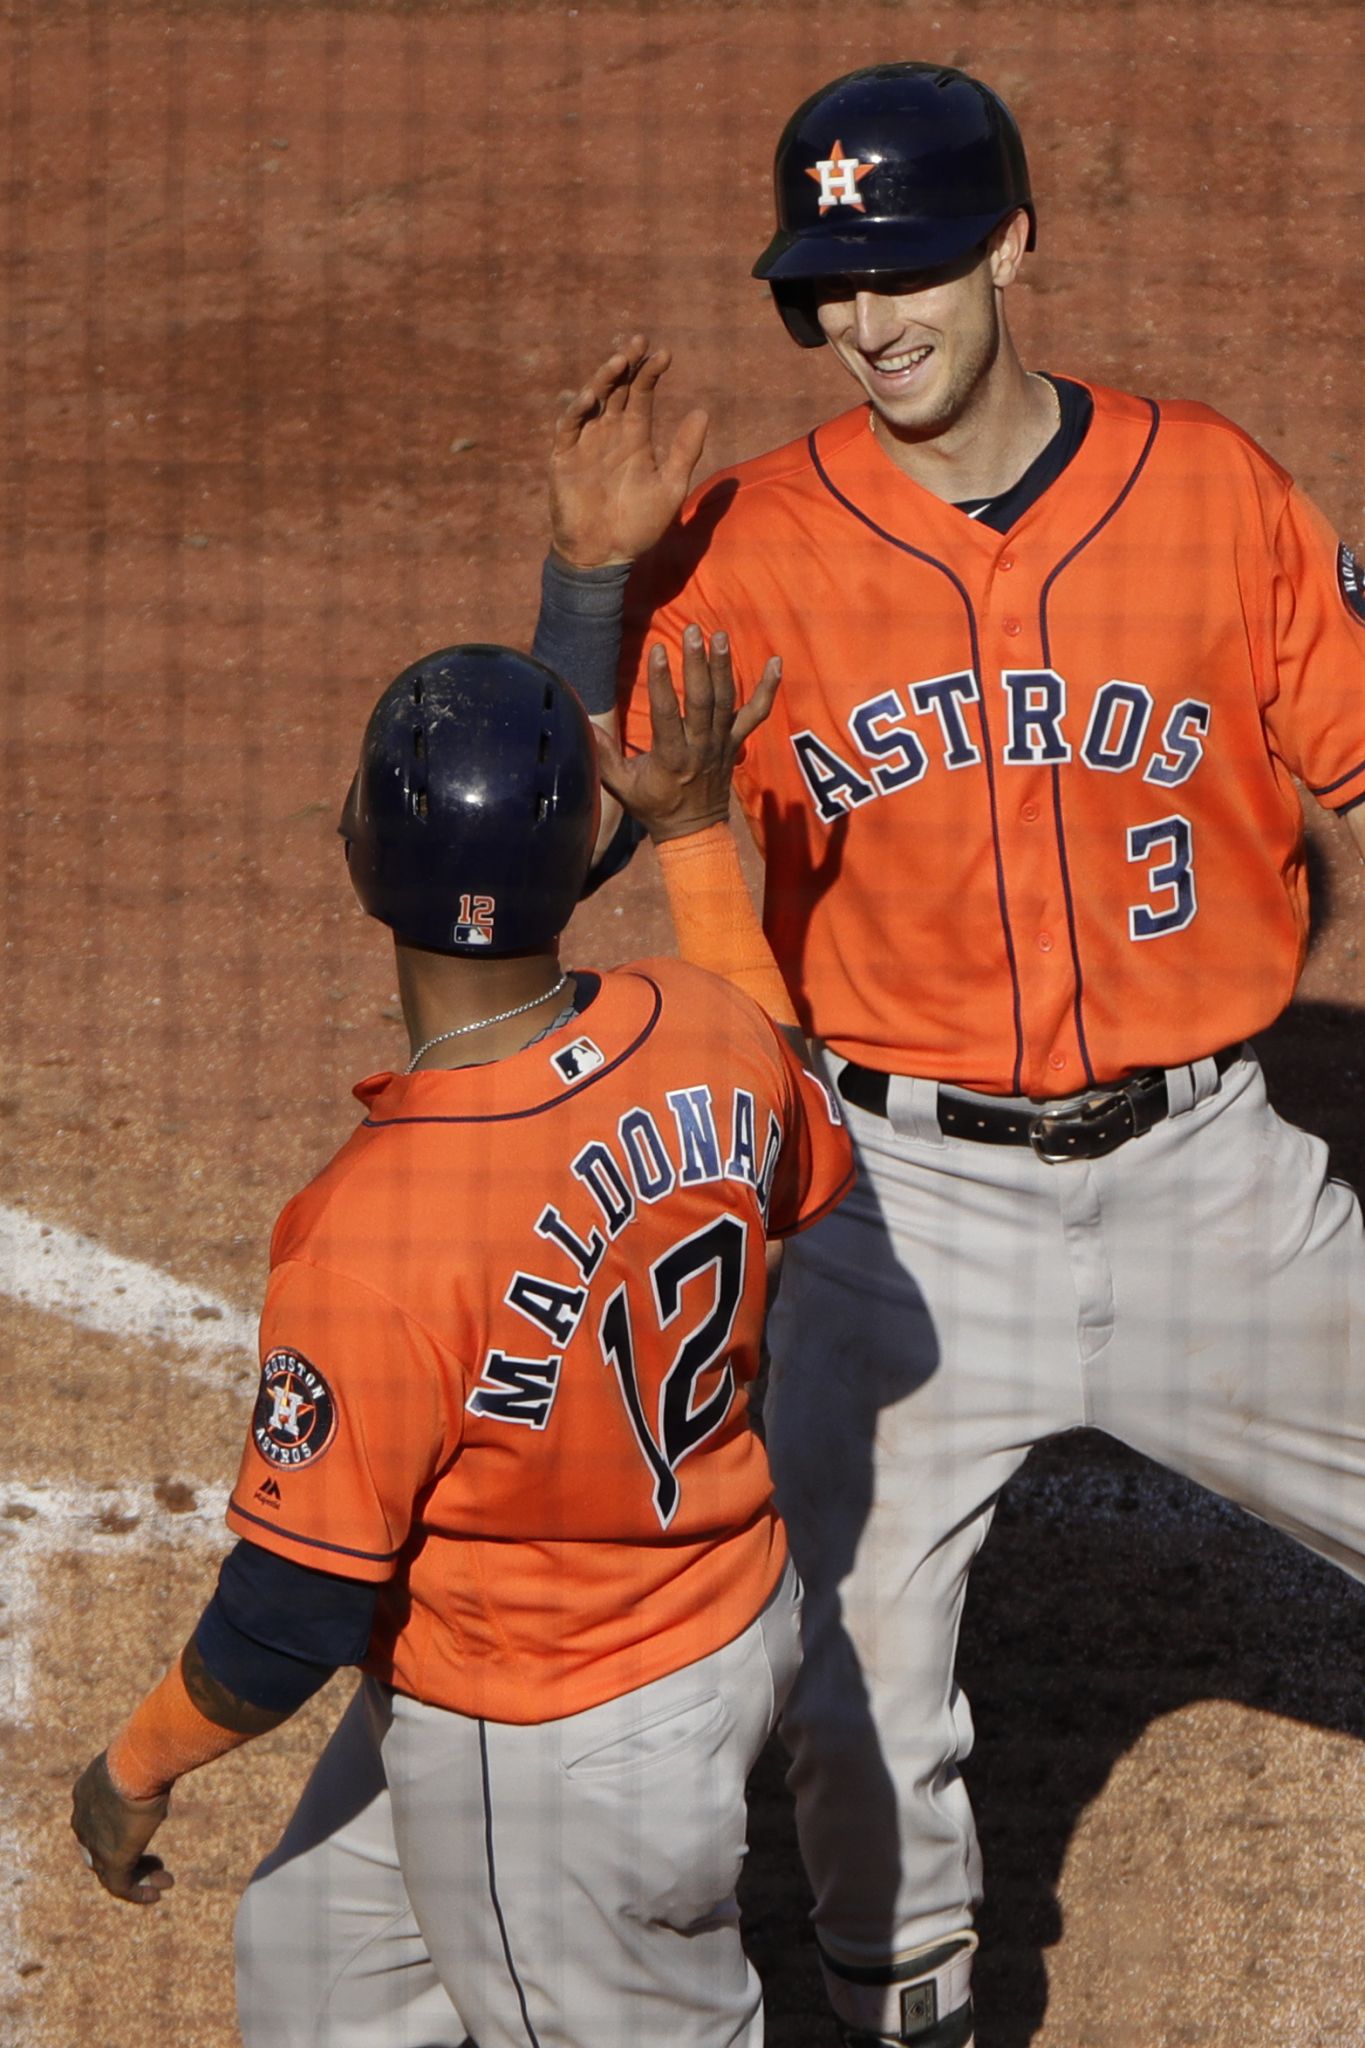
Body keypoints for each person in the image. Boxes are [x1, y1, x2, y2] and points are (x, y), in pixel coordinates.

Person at [542, 59, 1365, 2048]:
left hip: (1204, 1184)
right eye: (828, 286)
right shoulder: (738, 545)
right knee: (843, 1685)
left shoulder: (1206, 490)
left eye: (906, 267)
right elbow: (556, 847)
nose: (870, 323)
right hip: (894, 1209)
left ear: (1012, 242)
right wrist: (586, 589)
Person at [70, 615, 853, 2044]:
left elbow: (289, 1614)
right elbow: (794, 1109)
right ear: (578, 853)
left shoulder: (370, 1234)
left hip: (542, 1743)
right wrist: (688, 836)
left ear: (362, 855)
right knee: (316, 1968)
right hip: (726, 1627)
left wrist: (130, 1771)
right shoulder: (705, 1025)